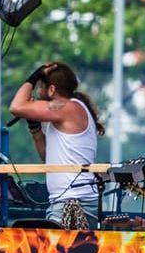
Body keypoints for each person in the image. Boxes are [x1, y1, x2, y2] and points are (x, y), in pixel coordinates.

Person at [9, 62, 104, 229]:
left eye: (40, 87)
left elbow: (17, 106)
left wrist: (35, 74)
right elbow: (48, 156)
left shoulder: (65, 107)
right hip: (67, 199)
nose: (38, 92)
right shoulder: (67, 110)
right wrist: (35, 128)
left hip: (73, 201)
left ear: (52, 89)